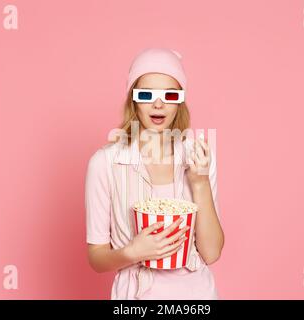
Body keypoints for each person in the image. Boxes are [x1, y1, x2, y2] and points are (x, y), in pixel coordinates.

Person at [85, 48, 224, 299]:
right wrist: (133, 252)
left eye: (169, 95)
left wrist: (200, 182)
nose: (158, 104)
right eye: (146, 94)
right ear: (133, 100)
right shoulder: (104, 163)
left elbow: (211, 253)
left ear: (180, 100)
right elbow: (96, 258)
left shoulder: (197, 157)